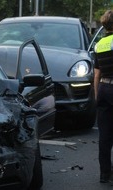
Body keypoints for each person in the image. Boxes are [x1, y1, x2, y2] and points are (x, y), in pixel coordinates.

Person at [94, 10, 113, 183]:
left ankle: (104, 174)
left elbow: (96, 74)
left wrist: (96, 95)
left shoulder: (99, 44)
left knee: (104, 135)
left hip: (104, 89)